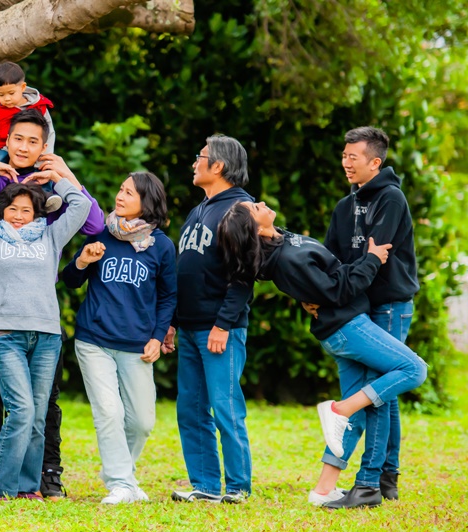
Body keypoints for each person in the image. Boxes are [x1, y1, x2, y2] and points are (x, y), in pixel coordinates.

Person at [217, 200, 427, 509]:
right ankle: (339, 409)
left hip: (344, 324)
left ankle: (324, 488)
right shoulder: (287, 260)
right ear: (255, 227)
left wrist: (308, 295)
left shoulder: (282, 241)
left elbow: (320, 284)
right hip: (347, 327)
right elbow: (338, 290)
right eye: (254, 207)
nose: (261, 202)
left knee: (368, 403)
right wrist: (371, 259)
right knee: (414, 369)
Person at [0, 109, 105, 500]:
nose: (25, 147)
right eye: (18, 139)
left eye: (34, 141)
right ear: (8, 139)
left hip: (43, 325)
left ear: (44, 146)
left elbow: (92, 220)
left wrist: (61, 175)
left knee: (39, 410)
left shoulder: (47, 231)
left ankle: (38, 481)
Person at [305, 127, 419, 506]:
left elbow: (376, 256)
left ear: (375, 162)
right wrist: (317, 292)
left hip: (388, 305)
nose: (345, 163)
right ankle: (387, 477)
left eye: (353, 157)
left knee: (376, 393)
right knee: (380, 392)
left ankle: (369, 483)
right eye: (344, 156)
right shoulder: (344, 206)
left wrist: (341, 286)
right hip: (359, 306)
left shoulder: (391, 199)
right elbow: (329, 259)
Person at [62, 172, 176, 504]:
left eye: (130, 193)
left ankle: (123, 476)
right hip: (93, 340)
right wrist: (82, 261)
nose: (120, 196)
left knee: (142, 420)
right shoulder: (100, 234)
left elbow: (168, 297)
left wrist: (158, 337)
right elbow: (70, 280)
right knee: (109, 411)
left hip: (137, 346)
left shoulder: (162, 246)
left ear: (147, 202)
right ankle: (120, 483)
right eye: (121, 189)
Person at [168, 135, 254, 505]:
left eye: (199, 157)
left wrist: (223, 324)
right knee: (190, 408)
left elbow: (244, 275)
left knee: (225, 407)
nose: (193, 163)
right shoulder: (200, 209)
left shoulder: (240, 210)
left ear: (217, 166)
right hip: (188, 327)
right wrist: (171, 321)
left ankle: (237, 488)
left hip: (219, 330)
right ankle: (204, 485)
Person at [0, 61, 60, 212]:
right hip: (0, 147)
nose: (7, 99)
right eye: (1, 94)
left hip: (31, 148)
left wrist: (45, 154)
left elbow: (50, 132)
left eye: (11, 93)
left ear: (23, 87)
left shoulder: (39, 106)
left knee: (45, 168)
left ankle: (45, 194)